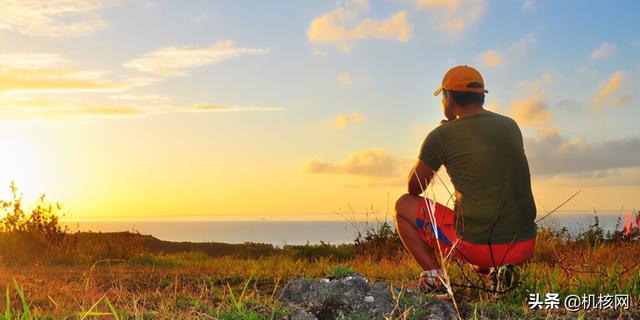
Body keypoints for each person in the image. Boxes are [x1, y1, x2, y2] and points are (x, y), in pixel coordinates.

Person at [394, 65, 537, 300]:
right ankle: (499, 273)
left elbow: (414, 188)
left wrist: (436, 145)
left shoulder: (441, 136)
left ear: (448, 97)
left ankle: (435, 281)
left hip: (480, 247)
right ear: (481, 96)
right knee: (481, 210)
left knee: (402, 206)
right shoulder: (510, 125)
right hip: (524, 243)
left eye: (443, 96)